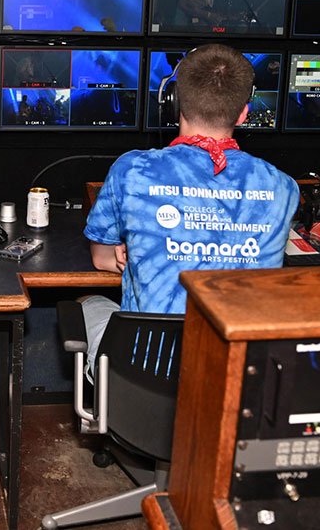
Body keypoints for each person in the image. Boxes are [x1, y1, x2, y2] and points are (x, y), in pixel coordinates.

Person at [82, 44, 299, 374]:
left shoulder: (132, 170)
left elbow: (101, 258)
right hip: (234, 375)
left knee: (89, 303)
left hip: (147, 376)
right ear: (244, 113)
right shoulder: (283, 186)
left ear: (173, 103)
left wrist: (142, 253)